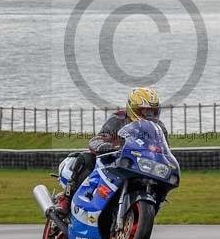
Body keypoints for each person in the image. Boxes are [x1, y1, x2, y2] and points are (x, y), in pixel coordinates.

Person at [57, 87, 168, 216]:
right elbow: (98, 138)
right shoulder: (118, 119)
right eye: (144, 111)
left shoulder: (159, 128)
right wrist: (103, 145)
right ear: (132, 108)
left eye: (153, 112)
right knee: (86, 158)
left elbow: (164, 150)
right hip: (114, 160)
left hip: (140, 164)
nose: (149, 116)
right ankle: (66, 199)